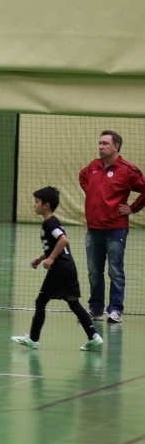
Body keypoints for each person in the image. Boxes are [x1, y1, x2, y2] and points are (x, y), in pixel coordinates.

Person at [12, 187, 103, 351]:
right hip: (69, 268)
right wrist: (41, 258)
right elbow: (55, 245)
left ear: (46, 205)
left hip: (60, 269)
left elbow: (63, 240)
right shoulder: (53, 222)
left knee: (41, 301)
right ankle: (93, 336)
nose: (34, 205)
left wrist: (51, 258)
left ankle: (33, 339)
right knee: (73, 303)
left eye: (37, 202)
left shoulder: (50, 223)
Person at [78, 130, 145, 323]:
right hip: (93, 230)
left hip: (116, 230)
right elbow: (82, 177)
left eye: (105, 143)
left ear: (116, 146)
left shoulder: (127, 170)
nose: (100, 146)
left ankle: (115, 310)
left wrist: (132, 208)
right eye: (99, 143)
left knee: (115, 271)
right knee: (94, 272)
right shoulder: (93, 166)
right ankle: (95, 308)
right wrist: (92, 192)